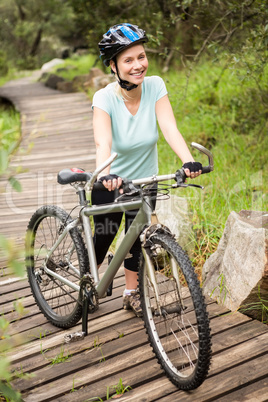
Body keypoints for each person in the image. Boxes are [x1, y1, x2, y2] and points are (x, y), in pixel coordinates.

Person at [92, 23, 202, 317]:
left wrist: (187, 160)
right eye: (128, 60)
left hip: (145, 182)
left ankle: (131, 294)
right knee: (103, 239)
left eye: (141, 56)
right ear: (113, 66)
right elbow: (104, 142)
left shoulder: (155, 85)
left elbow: (169, 127)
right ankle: (88, 278)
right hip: (111, 183)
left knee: (137, 241)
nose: (138, 65)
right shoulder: (104, 99)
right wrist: (106, 176)